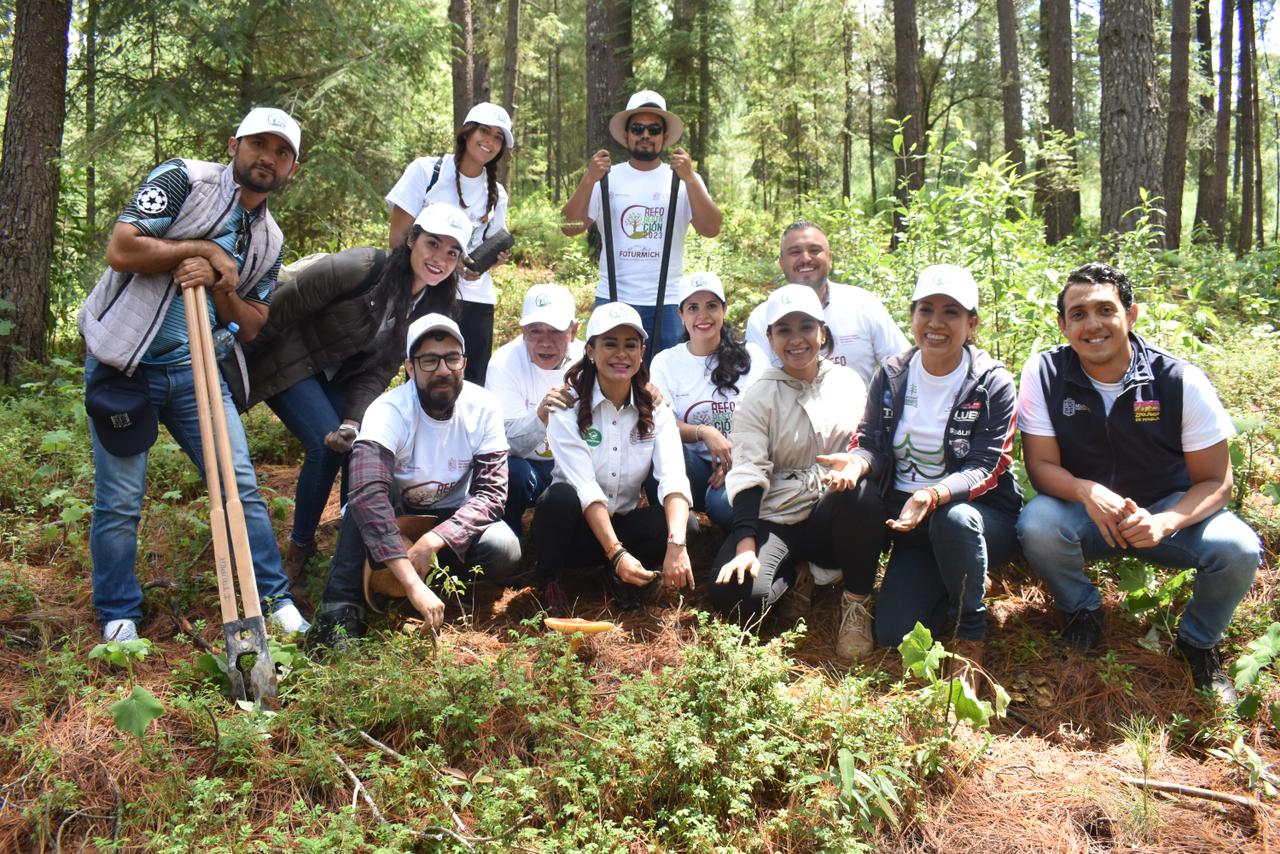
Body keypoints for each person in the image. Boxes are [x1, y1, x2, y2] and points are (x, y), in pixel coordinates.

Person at [77, 107, 308, 642]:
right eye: (259, 145)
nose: (267, 158)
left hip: (194, 373)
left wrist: (221, 280)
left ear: (291, 170)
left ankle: (273, 600)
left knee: (239, 484)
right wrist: (202, 247)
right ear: (234, 145)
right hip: (123, 365)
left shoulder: (269, 239)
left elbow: (251, 325)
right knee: (120, 499)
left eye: (281, 152)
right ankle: (118, 614)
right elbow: (123, 247)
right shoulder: (183, 178)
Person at [1016, 263, 1261, 703]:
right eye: (1078, 314)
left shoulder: (1179, 380)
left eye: (1105, 310)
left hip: (1168, 509)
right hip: (1086, 513)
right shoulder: (1046, 372)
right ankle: (1082, 611)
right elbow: (1040, 467)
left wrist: (1166, 522)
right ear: (1062, 324)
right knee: (1037, 523)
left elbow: (1217, 482)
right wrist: (1085, 491)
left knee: (1238, 548)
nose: (1092, 325)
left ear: (1131, 315)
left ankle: (1198, 642)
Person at [245, 203, 473, 588]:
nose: (440, 259)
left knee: (356, 445)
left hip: (335, 378)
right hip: (287, 358)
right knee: (324, 446)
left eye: (452, 252)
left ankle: (356, 554)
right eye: (433, 244)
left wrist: (353, 420)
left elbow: (378, 370)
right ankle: (299, 550)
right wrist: (238, 366)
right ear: (412, 239)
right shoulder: (362, 267)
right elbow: (284, 306)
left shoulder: (427, 306)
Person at [822, 266, 1022, 664]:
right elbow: (872, 443)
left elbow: (988, 465)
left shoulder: (990, 381)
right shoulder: (894, 374)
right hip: (910, 524)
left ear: (971, 323)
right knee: (896, 632)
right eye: (926, 310)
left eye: (951, 312)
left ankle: (971, 634)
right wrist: (857, 464)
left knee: (955, 520)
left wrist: (933, 494)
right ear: (912, 316)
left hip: (976, 517)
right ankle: (958, 581)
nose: (936, 323)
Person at [309, 314, 522, 646]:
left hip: (450, 516)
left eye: (452, 358)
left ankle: (442, 584)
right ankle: (341, 606)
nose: (442, 370)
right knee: (363, 507)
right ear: (409, 367)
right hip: (398, 512)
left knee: (504, 549)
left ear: (463, 362)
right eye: (429, 360)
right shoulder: (388, 411)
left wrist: (432, 541)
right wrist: (410, 582)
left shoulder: (484, 407)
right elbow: (368, 495)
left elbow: (492, 494)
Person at [711, 285, 872, 659]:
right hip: (779, 510)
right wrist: (746, 546)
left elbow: (868, 445)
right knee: (735, 598)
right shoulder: (759, 394)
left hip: (833, 508)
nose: (796, 339)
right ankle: (801, 573)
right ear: (770, 338)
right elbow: (750, 467)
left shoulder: (848, 383)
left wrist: (855, 465)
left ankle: (856, 600)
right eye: (784, 330)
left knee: (864, 498)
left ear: (822, 332)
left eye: (805, 327)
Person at [531, 302, 693, 616]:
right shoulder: (567, 406)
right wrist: (616, 552)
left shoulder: (655, 407)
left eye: (630, 345)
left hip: (621, 526)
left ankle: (616, 575)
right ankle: (550, 580)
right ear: (590, 350)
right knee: (559, 498)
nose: (621, 354)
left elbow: (673, 476)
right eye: (610, 344)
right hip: (576, 532)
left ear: (642, 352)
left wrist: (676, 543)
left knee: (685, 526)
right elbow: (585, 487)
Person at [560, 90, 723, 355]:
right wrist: (589, 179)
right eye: (637, 128)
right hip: (613, 295)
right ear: (626, 135)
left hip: (668, 300)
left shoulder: (682, 179)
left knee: (664, 379)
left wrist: (691, 179)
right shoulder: (606, 178)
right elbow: (569, 227)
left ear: (664, 136)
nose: (645, 135)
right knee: (610, 378)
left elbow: (711, 228)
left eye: (653, 129)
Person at [386, 103, 514, 384]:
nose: (489, 141)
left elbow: (487, 247)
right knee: (425, 375)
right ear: (466, 133)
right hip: (426, 292)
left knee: (471, 380)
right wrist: (445, 264)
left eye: (498, 137)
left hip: (475, 298)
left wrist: (488, 263)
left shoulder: (497, 194)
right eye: (484, 131)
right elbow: (398, 238)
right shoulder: (426, 171)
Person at [648, 272, 768, 530]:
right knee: (655, 447)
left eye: (711, 306)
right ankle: (677, 521)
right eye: (693, 308)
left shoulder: (752, 356)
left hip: (744, 462)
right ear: (681, 315)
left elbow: (768, 418)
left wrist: (738, 458)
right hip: (691, 467)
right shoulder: (666, 362)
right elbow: (661, 423)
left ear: (724, 310)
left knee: (726, 507)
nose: (702, 315)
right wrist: (704, 432)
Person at [746, 221, 907, 385]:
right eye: (795, 252)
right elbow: (756, 385)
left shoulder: (863, 304)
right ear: (781, 263)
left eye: (815, 250)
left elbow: (901, 366)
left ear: (829, 258)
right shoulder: (762, 318)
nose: (805, 258)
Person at [484, 283, 583, 536]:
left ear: (573, 331)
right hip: (529, 465)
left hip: (576, 463)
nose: (545, 342)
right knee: (510, 470)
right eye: (535, 331)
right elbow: (506, 443)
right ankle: (509, 539)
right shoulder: (504, 363)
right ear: (523, 331)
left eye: (555, 331)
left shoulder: (588, 360)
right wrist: (541, 415)